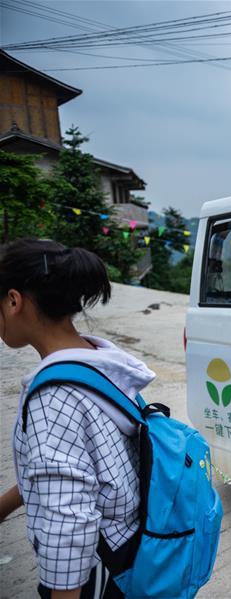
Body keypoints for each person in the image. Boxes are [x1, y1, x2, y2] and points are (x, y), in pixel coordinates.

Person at [0, 239, 155, 598]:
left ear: (12, 300)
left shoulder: (52, 397)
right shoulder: (97, 361)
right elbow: (65, 473)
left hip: (96, 576)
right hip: (130, 545)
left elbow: (68, 522)